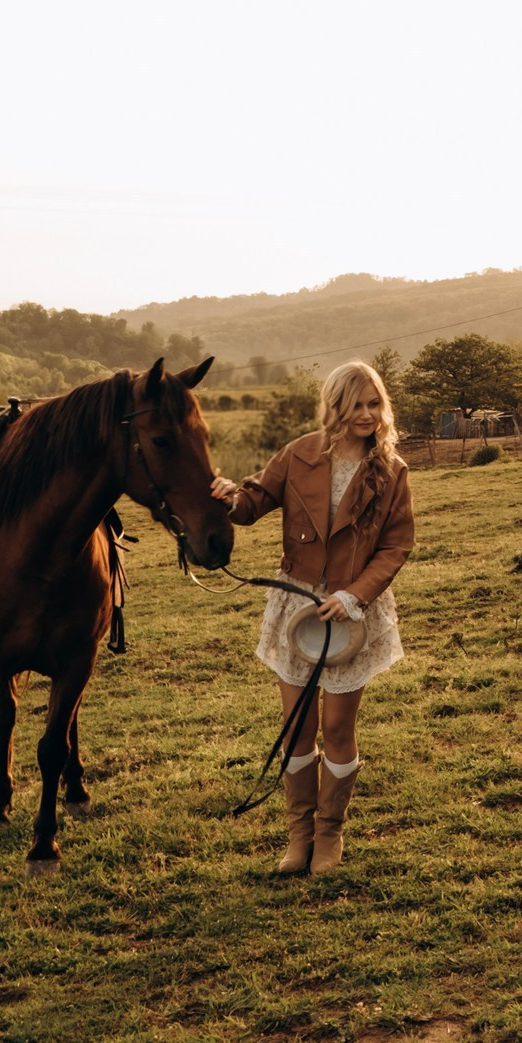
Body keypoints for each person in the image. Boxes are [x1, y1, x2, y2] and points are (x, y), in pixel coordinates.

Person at [208, 360, 414, 874]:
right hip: (297, 608)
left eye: (374, 404)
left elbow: (396, 545)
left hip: (351, 613)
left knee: (338, 729)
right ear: (334, 406)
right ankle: (298, 836)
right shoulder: (298, 453)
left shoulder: (391, 470)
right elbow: (252, 503)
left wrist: (354, 595)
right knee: (297, 726)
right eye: (355, 404)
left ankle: (328, 835)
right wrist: (228, 497)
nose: (366, 414)